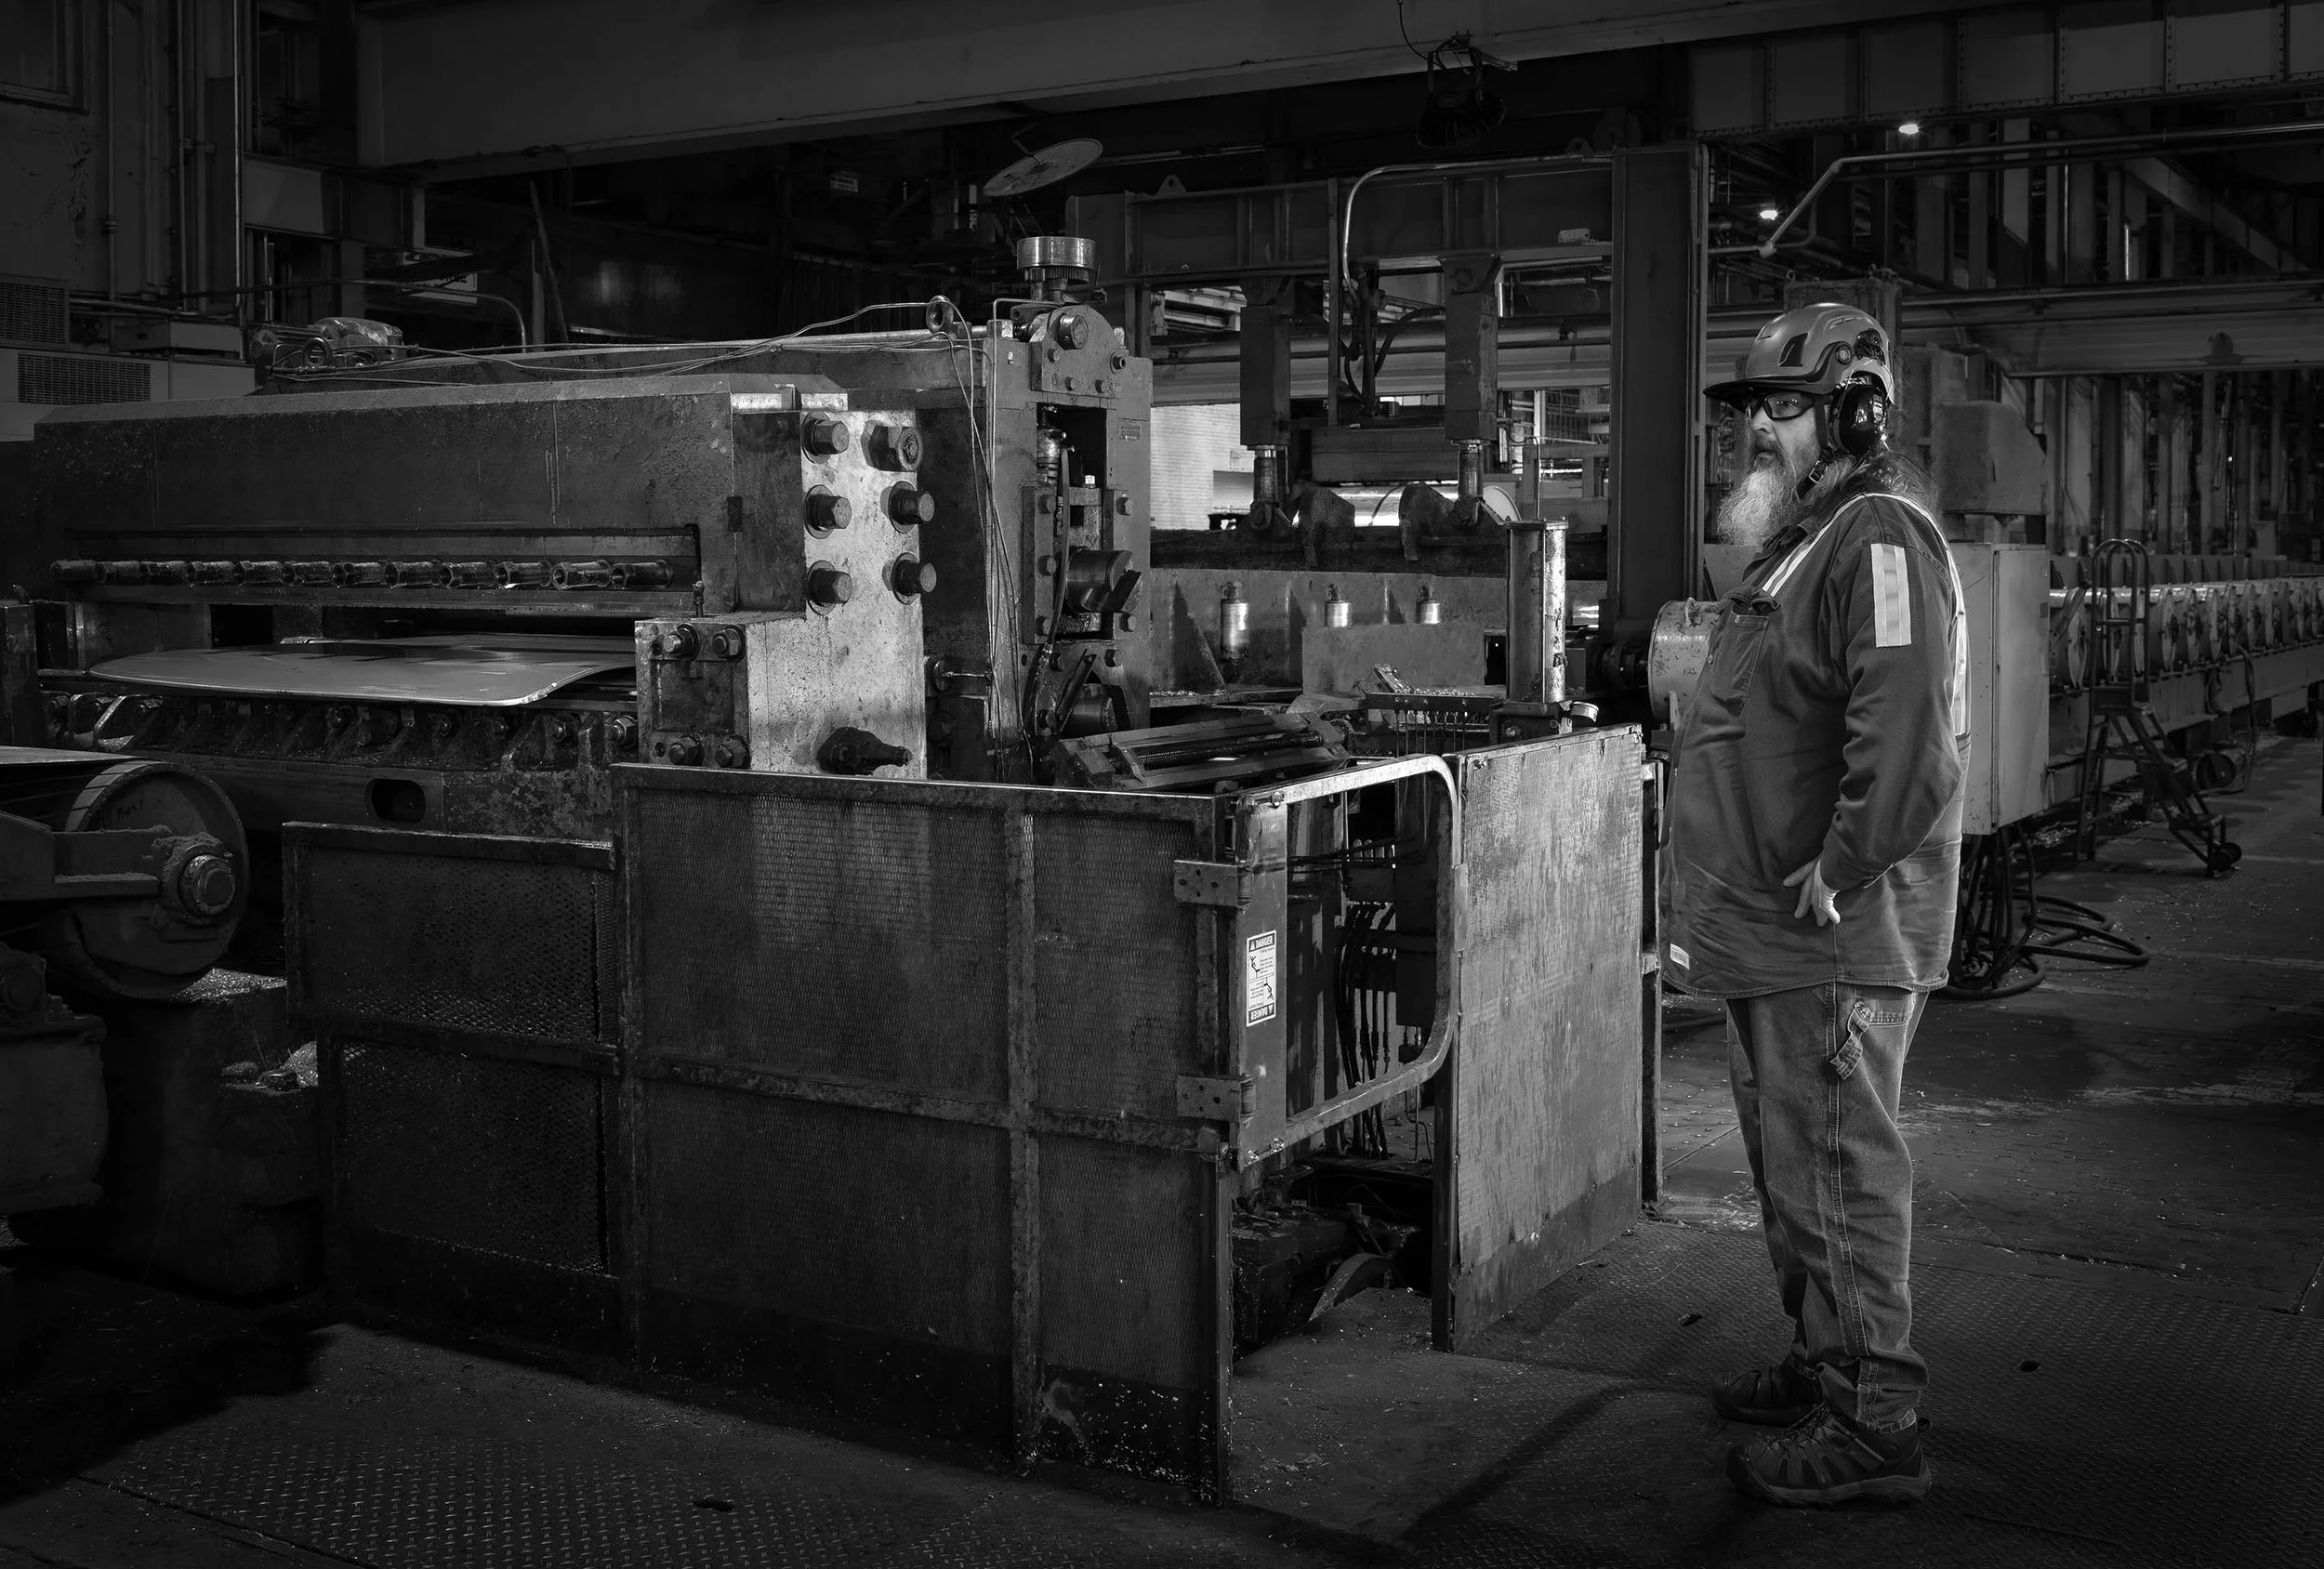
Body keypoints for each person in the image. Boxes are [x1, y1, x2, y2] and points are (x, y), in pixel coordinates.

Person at [1666, 301, 1967, 1507]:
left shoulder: (1879, 541)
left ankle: (1876, 1419)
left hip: (1831, 933)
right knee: (1796, 1169)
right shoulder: (1810, 537)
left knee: (1838, 1172)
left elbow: (1904, 742)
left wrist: (1840, 866)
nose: (1758, 435)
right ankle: (1826, 1360)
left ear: (1852, 411)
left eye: (1781, 410)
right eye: (1752, 412)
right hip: (1771, 936)